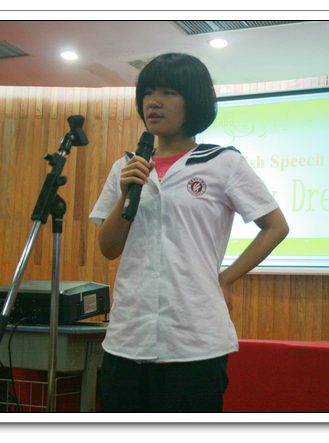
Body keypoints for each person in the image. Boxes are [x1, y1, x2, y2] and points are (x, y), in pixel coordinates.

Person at [89, 53, 289, 412]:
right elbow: (108, 248)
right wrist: (124, 194)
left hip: (195, 341)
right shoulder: (126, 165)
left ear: (194, 101)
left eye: (168, 92)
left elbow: (275, 226)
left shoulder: (223, 163)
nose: (154, 102)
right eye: (148, 92)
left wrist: (226, 278)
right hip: (126, 340)